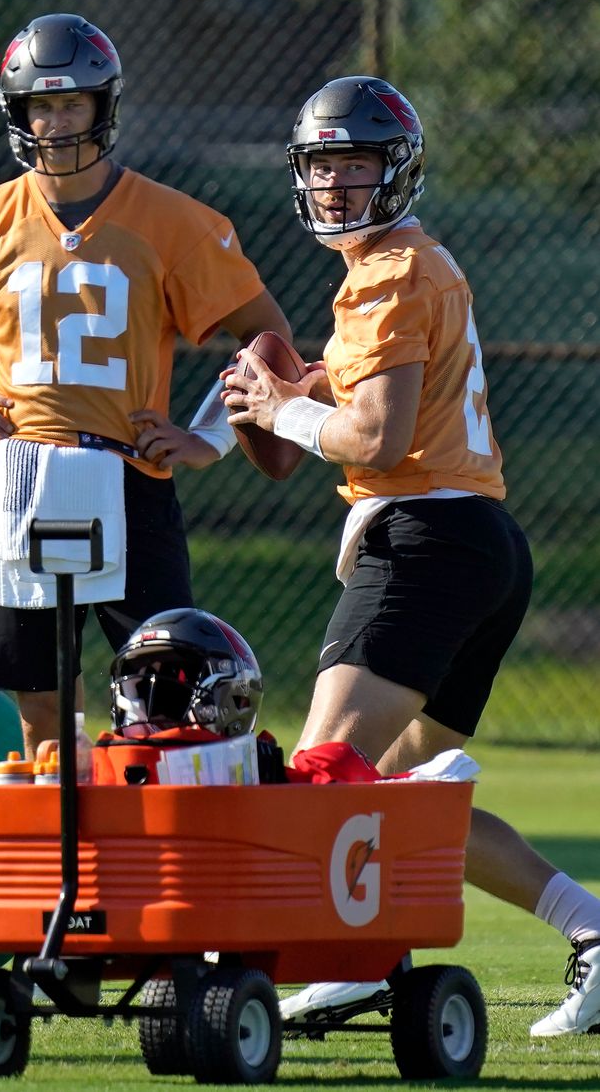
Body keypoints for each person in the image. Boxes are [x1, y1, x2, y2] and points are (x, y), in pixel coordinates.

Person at [222, 76, 600, 1037]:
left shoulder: (390, 272)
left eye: (355, 165)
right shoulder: (410, 265)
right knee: (397, 803)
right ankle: (590, 929)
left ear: (395, 171)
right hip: (475, 542)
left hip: (426, 538)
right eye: (322, 166)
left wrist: (285, 409)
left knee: (325, 776)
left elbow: (380, 441)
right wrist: (287, 400)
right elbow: (363, 416)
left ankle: (344, 958)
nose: (337, 185)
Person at [0, 12, 290, 761]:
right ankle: (54, 866)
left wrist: (212, 439)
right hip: (17, 474)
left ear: (104, 108)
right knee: (36, 702)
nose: (57, 123)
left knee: (171, 688)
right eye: (42, 105)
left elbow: (268, 341)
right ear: (19, 114)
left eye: (72, 105)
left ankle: (158, 865)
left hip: (130, 469)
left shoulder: (175, 221)